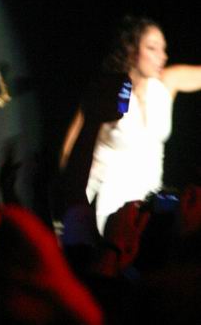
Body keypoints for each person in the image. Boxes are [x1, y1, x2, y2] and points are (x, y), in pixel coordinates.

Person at [60, 15, 201, 235]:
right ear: (132, 50)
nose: (162, 56)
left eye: (163, 49)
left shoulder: (166, 83)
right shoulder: (108, 89)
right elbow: (68, 150)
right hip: (107, 204)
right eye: (152, 48)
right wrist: (76, 205)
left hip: (146, 207)